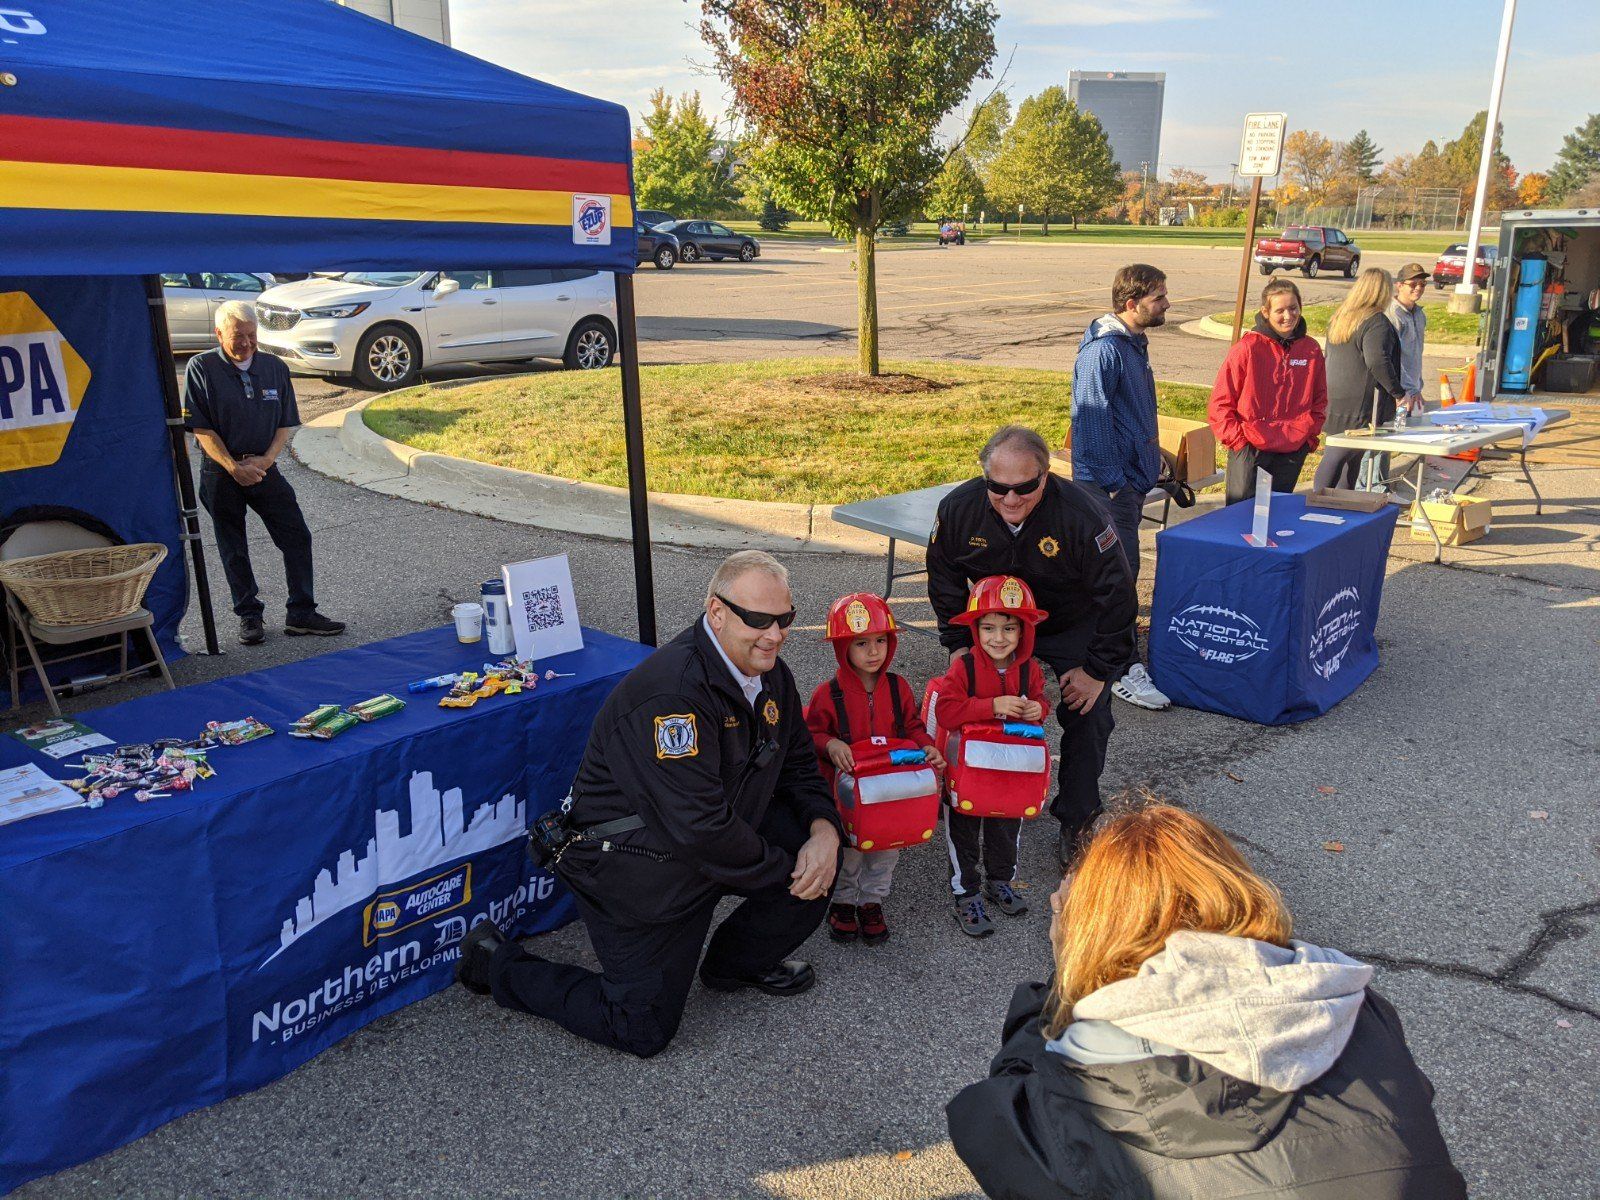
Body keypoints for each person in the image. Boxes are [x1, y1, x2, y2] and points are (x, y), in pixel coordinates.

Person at [946, 801, 1467, 1198]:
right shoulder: (1353, 1005)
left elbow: (985, 1119)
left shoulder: (1075, 1094)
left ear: (1089, 928)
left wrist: (1068, 969)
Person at [456, 551, 843, 1058]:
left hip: (715, 834)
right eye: (757, 620)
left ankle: (733, 966)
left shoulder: (770, 674)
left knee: (820, 859)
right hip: (640, 862)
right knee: (640, 1030)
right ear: (716, 612)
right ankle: (495, 964)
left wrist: (824, 832)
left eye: (784, 619)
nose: (775, 634)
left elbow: (795, 764)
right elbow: (698, 828)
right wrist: (789, 871)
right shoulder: (672, 696)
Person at [927, 425, 1138, 868]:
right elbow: (944, 576)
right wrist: (958, 643)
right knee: (972, 700)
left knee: (1087, 713)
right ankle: (984, 786)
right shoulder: (959, 509)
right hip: (995, 624)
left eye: (1025, 487)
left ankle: (1077, 818)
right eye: (998, 488)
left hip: (1066, 622)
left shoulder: (1083, 515)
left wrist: (1098, 670)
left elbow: (1118, 597)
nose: (1010, 500)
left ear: (1045, 476)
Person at [182, 301, 344, 645]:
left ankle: (301, 612)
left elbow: (285, 423)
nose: (246, 343)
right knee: (233, 546)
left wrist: (267, 461)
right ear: (219, 334)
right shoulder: (201, 367)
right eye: (237, 336)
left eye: (252, 335)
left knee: (297, 535)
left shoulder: (274, 367)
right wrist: (232, 467)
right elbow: (201, 428)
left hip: (264, 467)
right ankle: (249, 615)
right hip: (220, 472)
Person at [804, 591, 944, 946]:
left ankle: (872, 901)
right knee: (849, 850)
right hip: (849, 797)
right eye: (861, 643)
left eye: (881, 641)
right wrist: (831, 744)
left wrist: (926, 746)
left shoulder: (898, 688)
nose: (874, 651)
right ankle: (844, 901)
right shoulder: (827, 694)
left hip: (891, 794)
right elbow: (810, 734)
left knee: (886, 850)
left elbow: (912, 726)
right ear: (842, 648)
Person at [1070, 263, 1172, 712]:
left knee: (1122, 574)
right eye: (1158, 297)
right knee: (1121, 576)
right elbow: (1090, 422)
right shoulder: (1104, 352)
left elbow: (1128, 413)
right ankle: (1121, 669)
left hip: (1127, 478)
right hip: (1108, 486)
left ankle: (1111, 652)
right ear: (1131, 304)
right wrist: (1114, 486)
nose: (1167, 303)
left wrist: (1156, 452)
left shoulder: (1132, 343)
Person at [930, 575, 1048, 937]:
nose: (999, 638)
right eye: (989, 628)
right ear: (975, 630)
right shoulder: (963, 667)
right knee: (963, 832)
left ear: (1024, 630)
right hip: (967, 772)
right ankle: (965, 892)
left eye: (1009, 628)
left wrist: (1037, 711)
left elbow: (1044, 703)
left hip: (1010, 772)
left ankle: (1000, 880)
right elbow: (948, 712)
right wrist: (991, 706)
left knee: (1006, 828)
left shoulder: (1031, 670)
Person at [1208, 277, 1328, 505]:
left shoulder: (1310, 350)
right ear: (1265, 312)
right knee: (1240, 518)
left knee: (1277, 516)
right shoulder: (1247, 348)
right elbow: (1220, 404)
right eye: (1280, 310)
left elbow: (1320, 399)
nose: (1288, 316)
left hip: (1292, 447)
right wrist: (1239, 442)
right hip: (1251, 446)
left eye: (1293, 308)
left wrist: (1308, 436)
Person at [1313, 267, 1405, 492]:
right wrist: (1398, 392)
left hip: (1335, 394)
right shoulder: (1376, 322)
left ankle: (1340, 504)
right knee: (1340, 454)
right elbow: (1378, 361)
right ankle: (1317, 501)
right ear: (1382, 291)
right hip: (1359, 402)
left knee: (1349, 456)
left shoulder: (1342, 317)